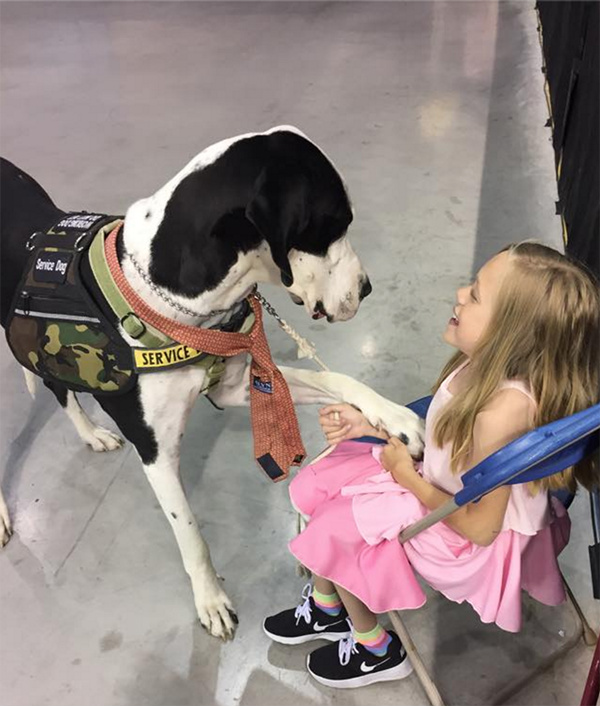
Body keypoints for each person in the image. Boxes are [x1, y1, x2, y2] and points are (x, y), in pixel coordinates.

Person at [262, 242, 599, 689]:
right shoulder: (484, 365)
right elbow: (444, 439)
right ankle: (327, 608)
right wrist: (370, 425)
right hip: (440, 482)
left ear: (511, 333)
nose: (459, 293)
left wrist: (404, 474)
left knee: (333, 529)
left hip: (462, 536)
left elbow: (482, 530)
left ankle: (375, 649)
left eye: (475, 295)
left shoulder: (501, 415)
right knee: (320, 482)